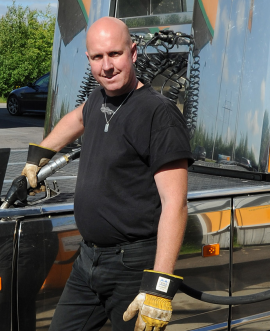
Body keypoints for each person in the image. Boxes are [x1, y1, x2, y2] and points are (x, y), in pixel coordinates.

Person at [21, 17, 194, 331]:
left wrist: (159, 288)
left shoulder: (158, 114)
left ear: (133, 52)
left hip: (133, 265)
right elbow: (76, 119)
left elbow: (175, 204)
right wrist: (38, 157)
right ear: (89, 59)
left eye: (114, 54)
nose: (107, 66)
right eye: (97, 57)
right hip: (89, 259)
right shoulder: (99, 97)